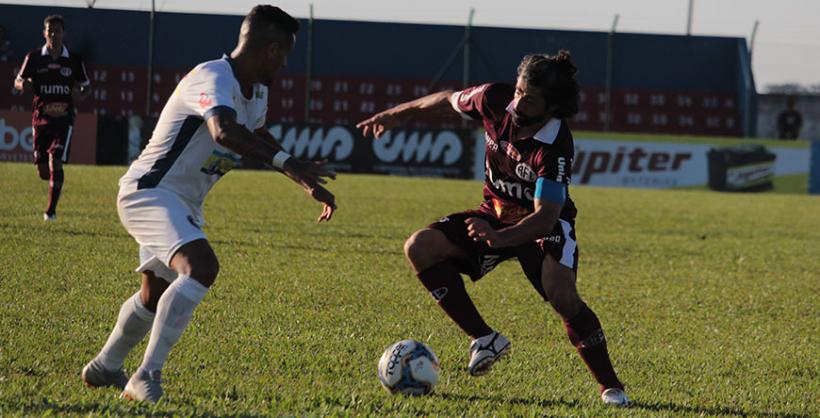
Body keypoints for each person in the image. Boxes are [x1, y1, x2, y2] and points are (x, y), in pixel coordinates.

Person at [81, 5, 337, 403]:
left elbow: (256, 134)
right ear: (270, 49)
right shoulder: (212, 76)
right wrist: (292, 165)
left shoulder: (257, 91)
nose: (285, 64)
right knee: (201, 267)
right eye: (284, 54)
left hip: (181, 201)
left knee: (154, 292)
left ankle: (104, 367)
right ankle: (145, 376)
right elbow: (223, 131)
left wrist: (301, 178)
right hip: (149, 191)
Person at [357, 51, 629, 407]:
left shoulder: (555, 146)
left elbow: (546, 216)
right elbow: (447, 101)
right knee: (419, 247)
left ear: (552, 107)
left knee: (562, 295)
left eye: (529, 99)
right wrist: (397, 113)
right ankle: (484, 339)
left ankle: (611, 388)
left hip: (542, 225)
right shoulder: (494, 99)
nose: (517, 103)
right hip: (494, 213)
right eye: (518, 91)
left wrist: (501, 238)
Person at [13, 15, 91, 221]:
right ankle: (55, 181)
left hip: (64, 120)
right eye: (50, 31)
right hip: (40, 118)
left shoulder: (74, 60)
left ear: (64, 33)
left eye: (57, 31)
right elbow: (18, 81)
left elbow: (86, 86)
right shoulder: (34, 57)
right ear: (44, 33)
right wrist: (23, 86)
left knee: (56, 161)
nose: (54, 35)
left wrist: (81, 93)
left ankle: (51, 212)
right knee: (43, 171)